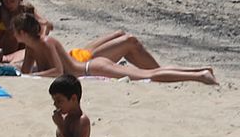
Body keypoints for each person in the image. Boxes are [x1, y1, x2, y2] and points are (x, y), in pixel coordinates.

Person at [13, 11, 216, 84]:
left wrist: (33, 76)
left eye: (16, 32)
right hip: (89, 66)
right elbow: (25, 72)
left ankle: (198, 75)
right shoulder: (31, 46)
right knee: (148, 73)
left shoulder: (47, 42)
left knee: (149, 75)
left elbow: (58, 71)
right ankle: (200, 72)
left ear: (22, 32)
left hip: (92, 68)